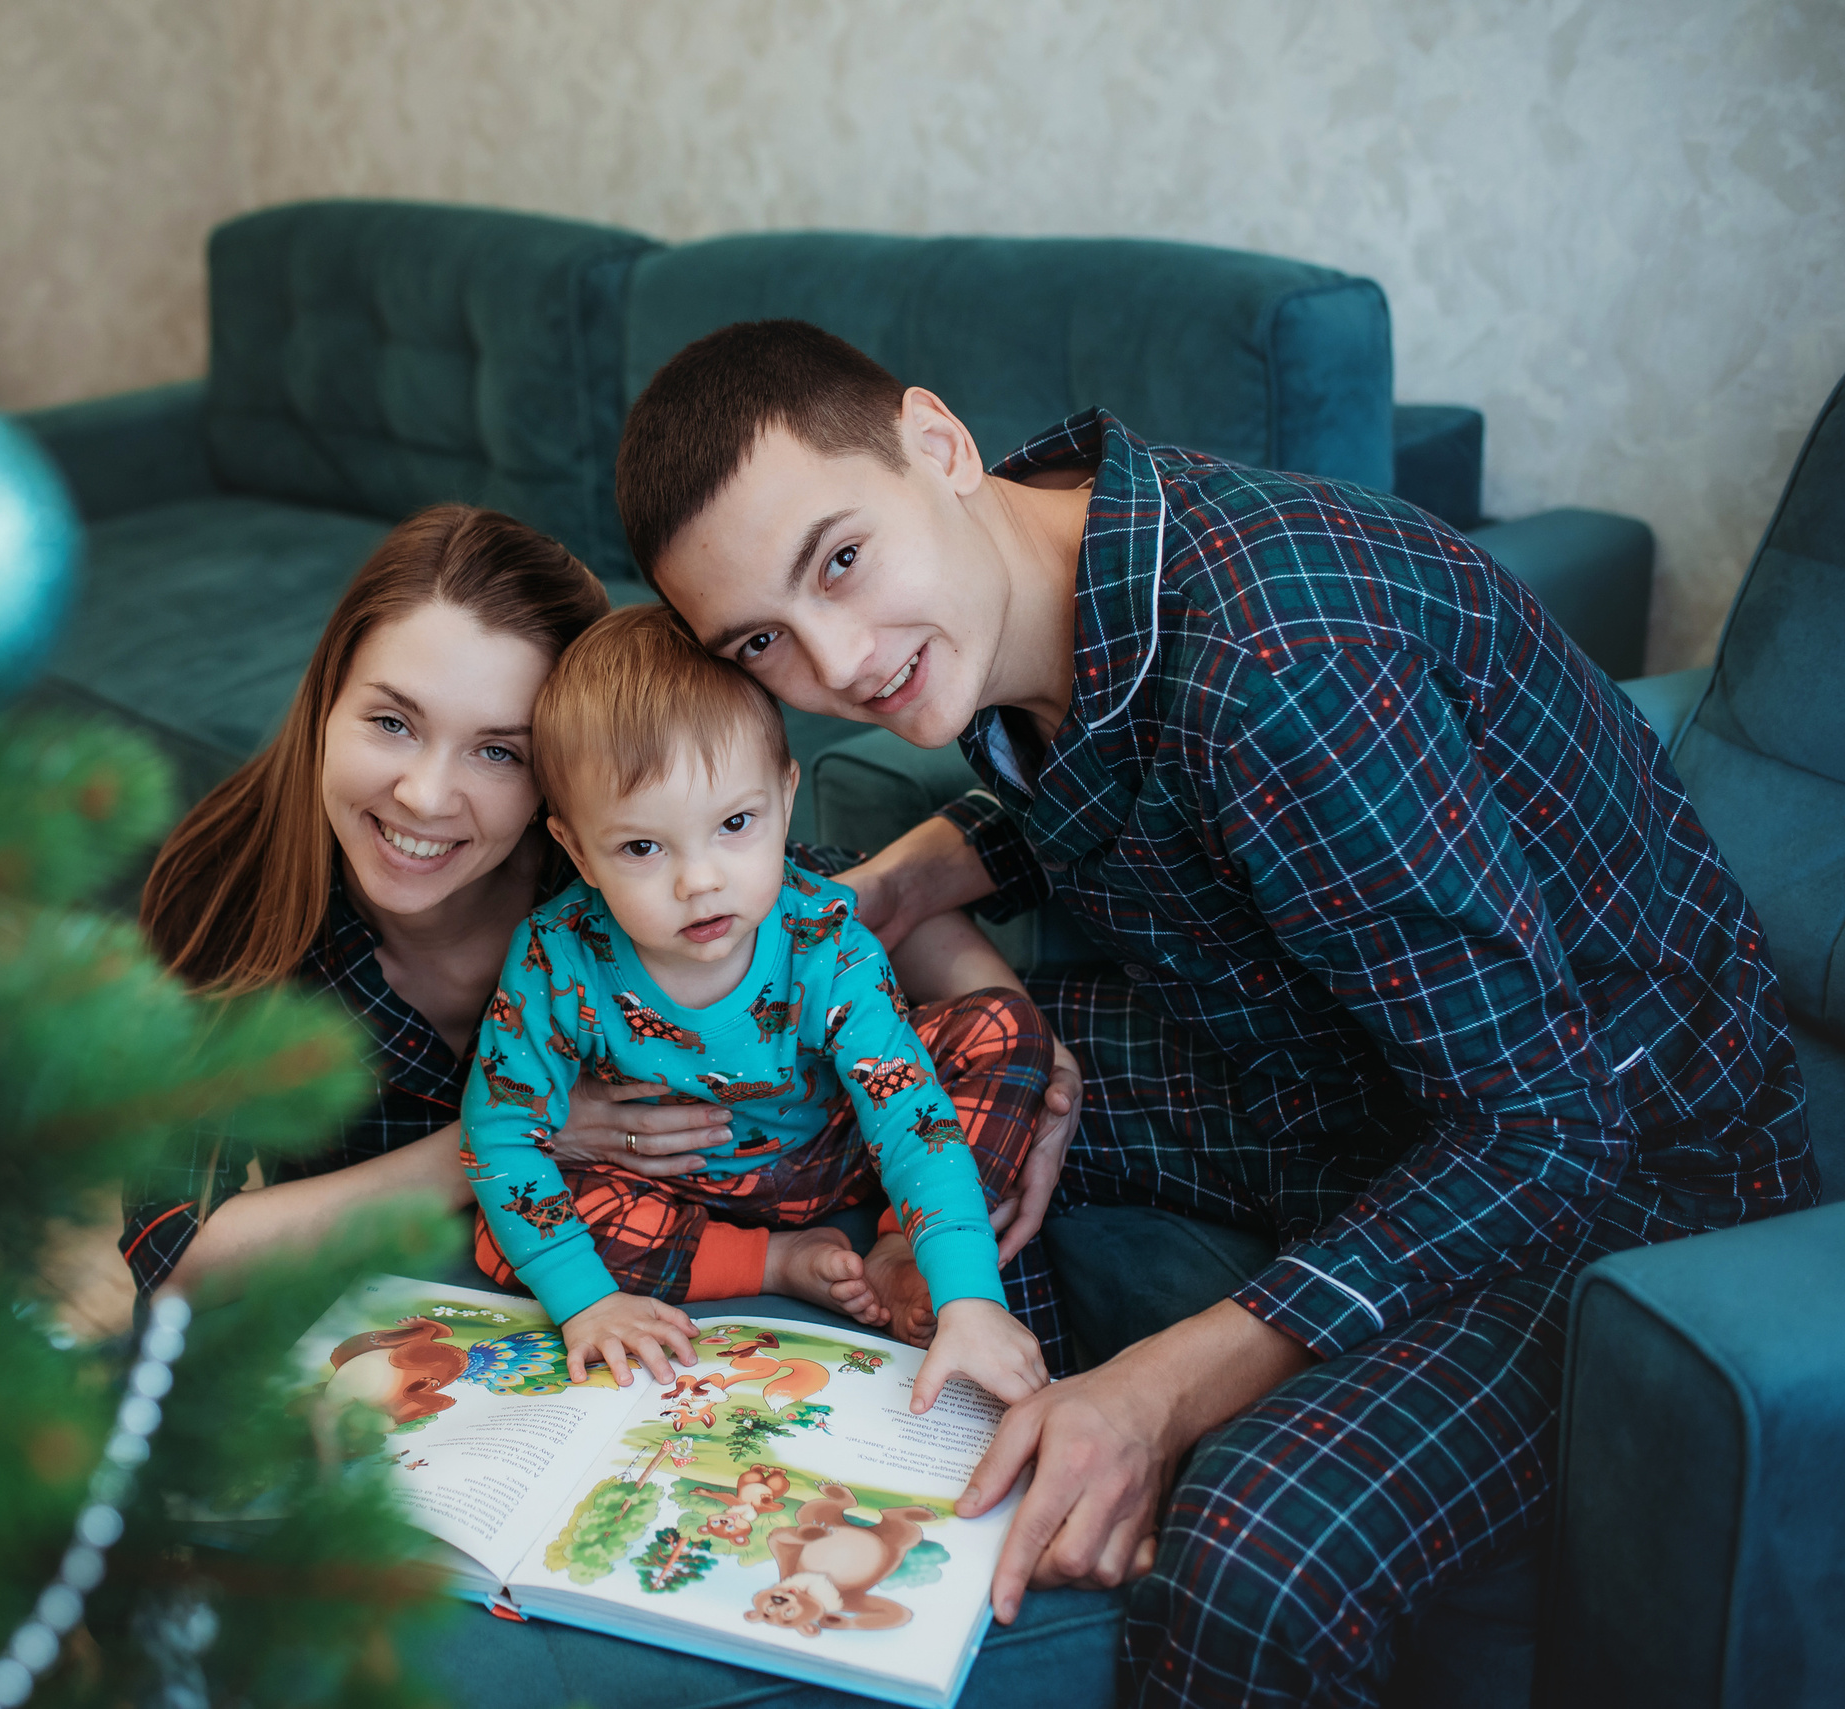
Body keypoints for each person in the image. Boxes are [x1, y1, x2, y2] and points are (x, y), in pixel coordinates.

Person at [612, 320, 1816, 1707]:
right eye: (764, 638)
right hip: (1335, 1074)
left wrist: (1161, 1389)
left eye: (840, 558)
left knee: (1255, 1557)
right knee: (902, 1087)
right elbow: (1163, 779)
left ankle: (1091, 1458)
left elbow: (1543, 1133)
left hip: (1622, 1172)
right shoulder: (1074, 568)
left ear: (937, 444)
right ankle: (990, 1494)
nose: (837, 661)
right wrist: (912, 875)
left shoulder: (1278, 664)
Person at [118, 504, 1084, 1338]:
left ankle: (895, 1253)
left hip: (756, 1191)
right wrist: (515, 1138)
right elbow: (174, 1255)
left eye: (498, 751)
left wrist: (1020, 1043)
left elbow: (838, 904)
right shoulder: (234, 889)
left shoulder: (622, 872)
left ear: (566, 785)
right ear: (327, 698)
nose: (424, 794)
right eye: (392, 722)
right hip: (511, 1249)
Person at [461, 603, 1051, 1406]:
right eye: (642, 847)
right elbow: (501, 1135)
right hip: (677, 1182)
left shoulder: (824, 943)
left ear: (784, 795)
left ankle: (900, 1247)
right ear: (575, 849)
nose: (698, 880)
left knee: (1003, 1028)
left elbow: (910, 1112)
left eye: (735, 824)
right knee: (506, 1228)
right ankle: (773, 1262)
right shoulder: (554, 957)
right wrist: (588, 1305)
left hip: (844, 1141)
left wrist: (969, 1297)